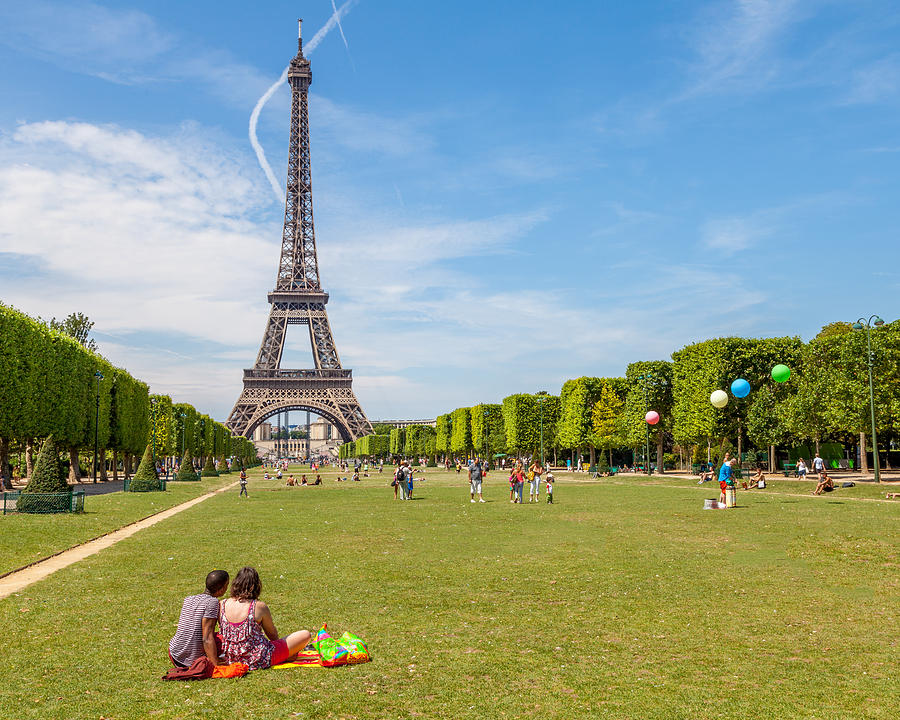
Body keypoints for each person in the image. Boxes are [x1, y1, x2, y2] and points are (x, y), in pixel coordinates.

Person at [219, 567, 312, 671]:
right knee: (305, 634)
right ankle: (286, 656)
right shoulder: (258, 606)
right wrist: (284, 652)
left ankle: (286, 655)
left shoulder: (222, 604)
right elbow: (272, 634)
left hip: (232, 659)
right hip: (260, 658)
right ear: (254, 586)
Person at [168, 570, 229, 668]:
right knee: (224, 640)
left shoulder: (189, 599)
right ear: (221, 588)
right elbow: (207, 637)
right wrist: (215, 663)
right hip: (191, 661)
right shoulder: (212, 603)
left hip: (175, 653)